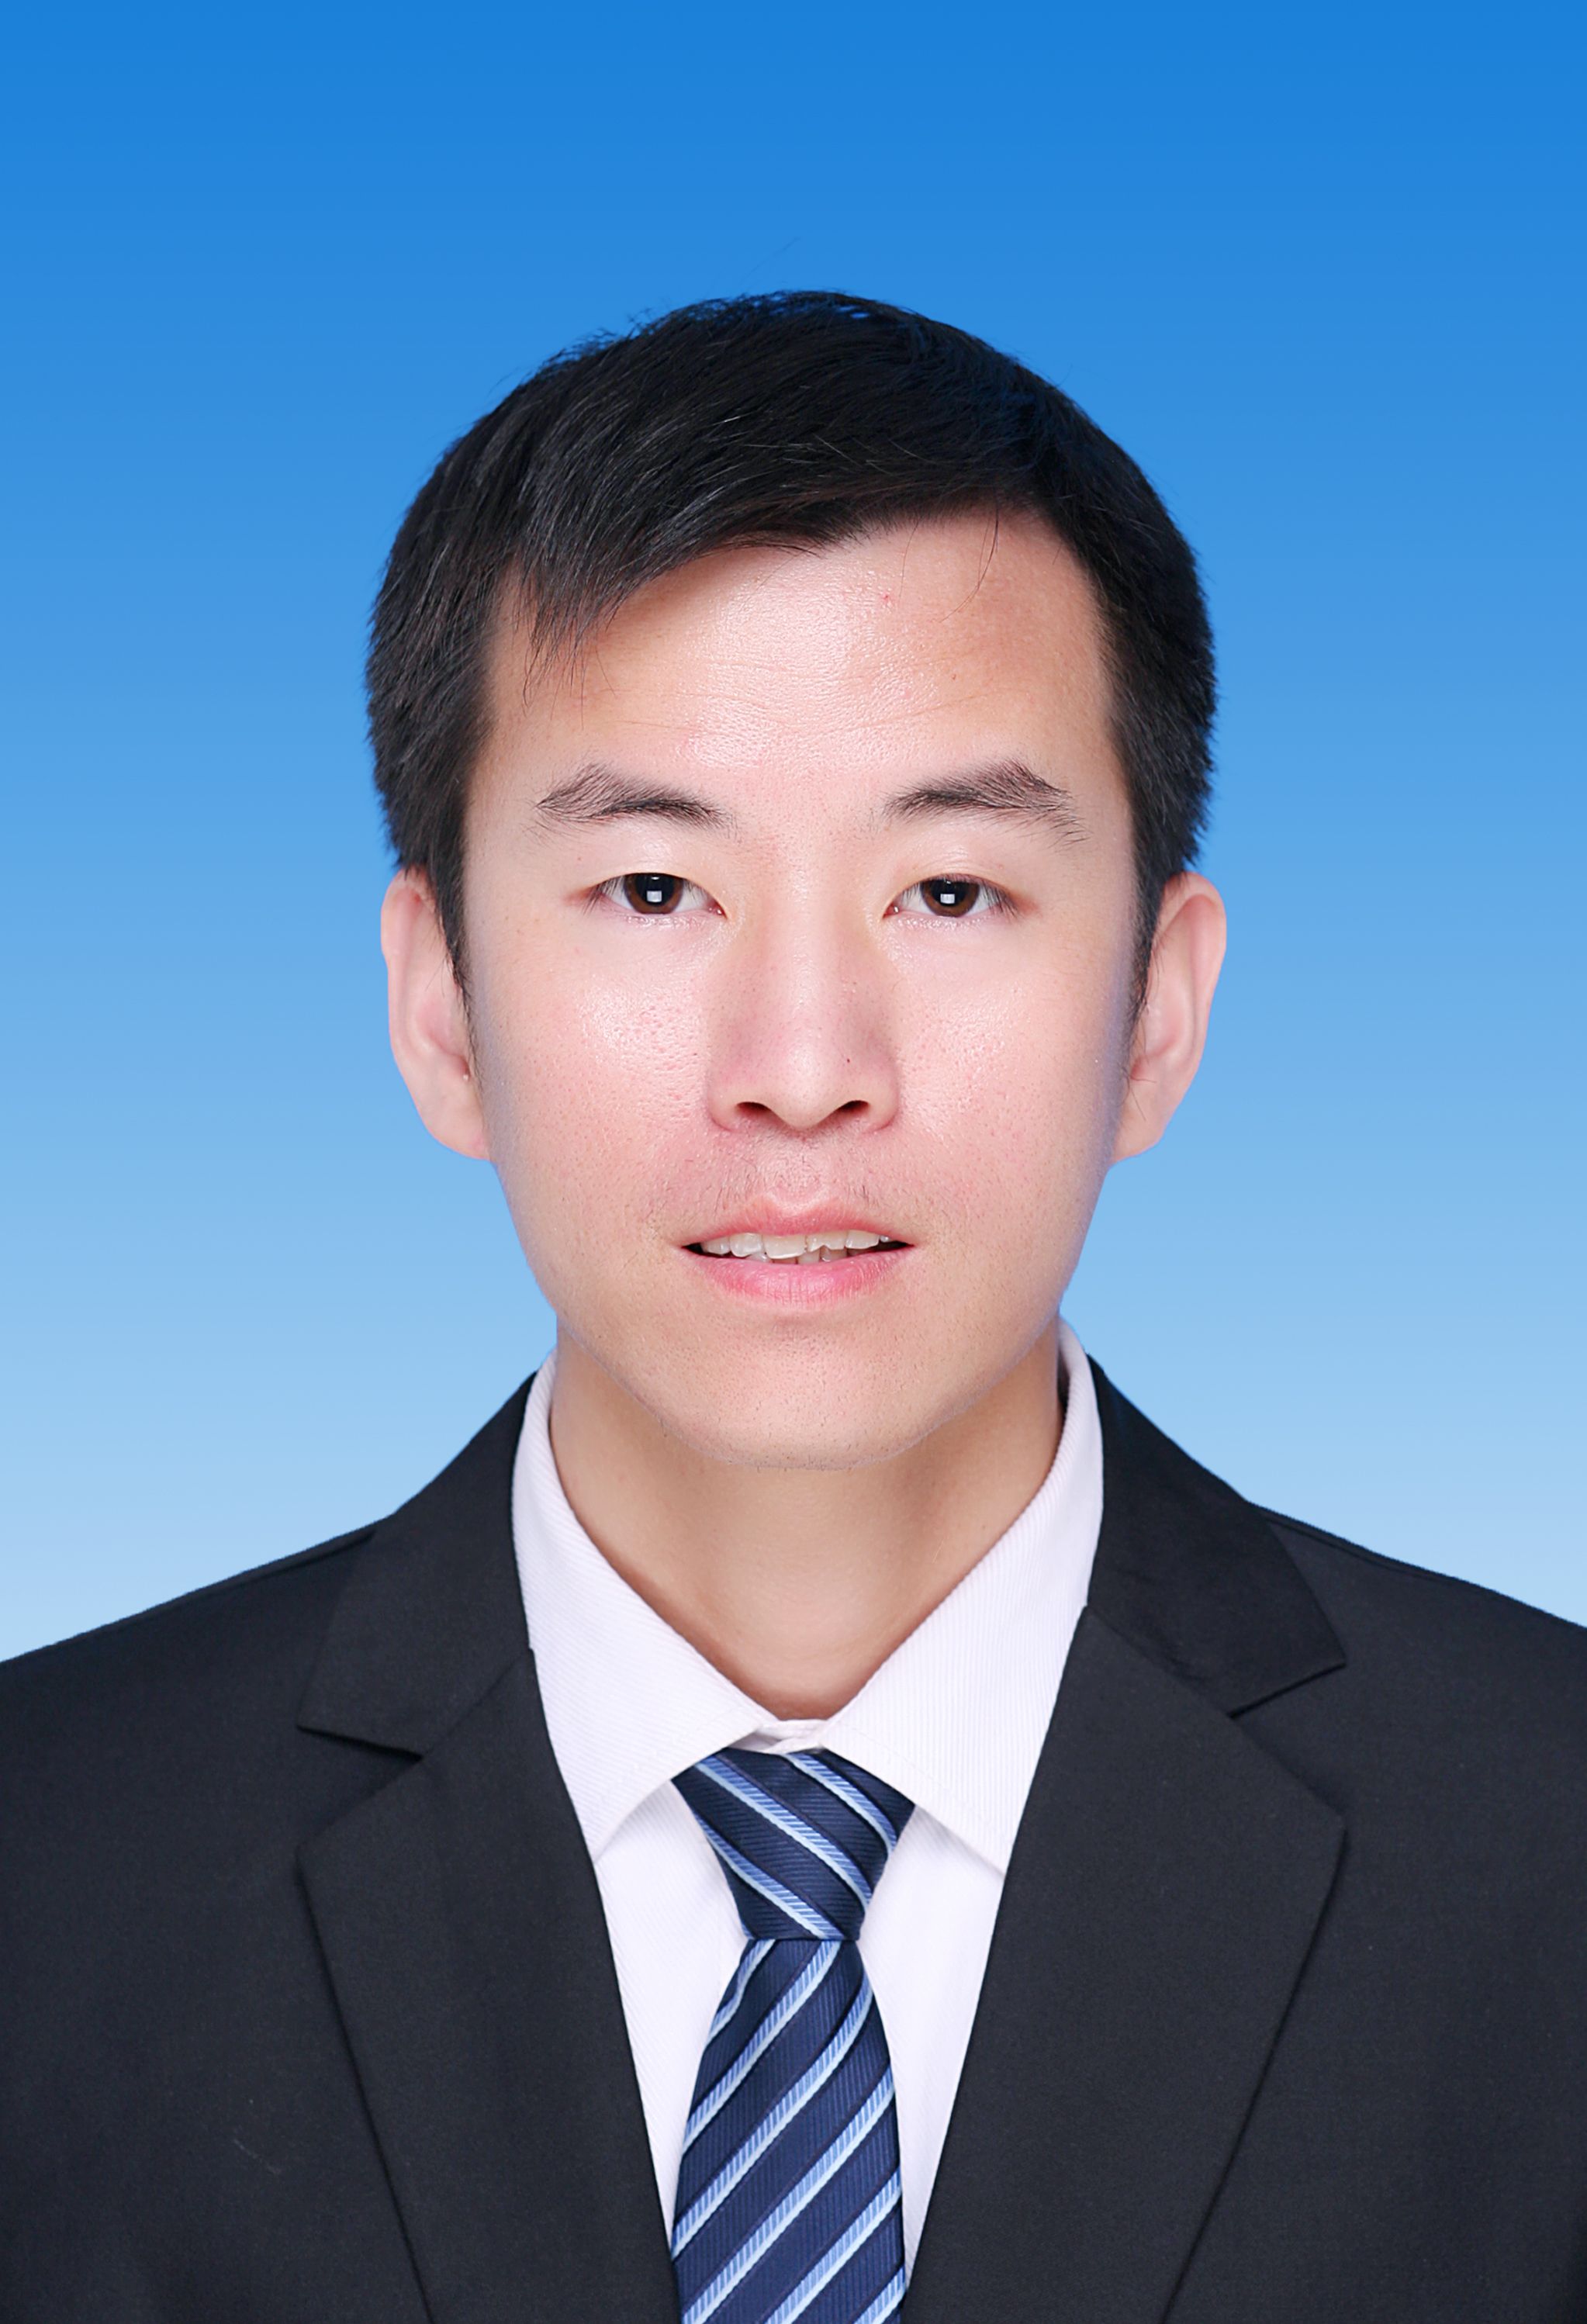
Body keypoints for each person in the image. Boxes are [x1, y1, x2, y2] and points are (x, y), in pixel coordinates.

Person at [2, 291, 1583, 2324]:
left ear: (1159, 1013)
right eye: (655, 890)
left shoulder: (1548, 1850)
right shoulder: (51, 1858)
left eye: (951, 891)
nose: (806, 1067)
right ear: (440, 1007)